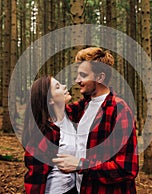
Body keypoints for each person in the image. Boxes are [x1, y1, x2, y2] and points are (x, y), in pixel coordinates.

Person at [52, 47, 139, 194]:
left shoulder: (119, 110)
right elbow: (57, 115)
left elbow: (126, 169)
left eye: (83, 75)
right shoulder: (84, 106)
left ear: (100, 78)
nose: (77, 80)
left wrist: (80, 164)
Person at [23, 76, 78, 194]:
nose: (64, 87)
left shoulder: (70, 115)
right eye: (58, 87)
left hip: (74, 188)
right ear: (50, 100)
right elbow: (35, 176)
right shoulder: (44, 134)